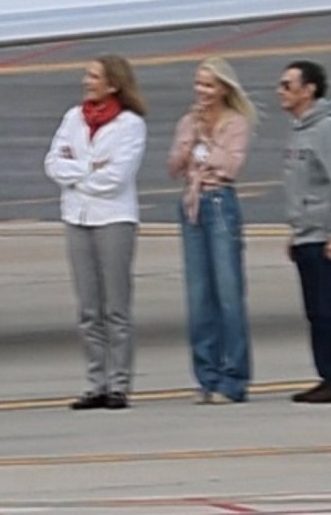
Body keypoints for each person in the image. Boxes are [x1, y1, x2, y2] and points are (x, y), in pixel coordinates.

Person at [44, 55, 147, 410]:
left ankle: (119, 383)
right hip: (77, 218)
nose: (86, 81)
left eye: (93, 76)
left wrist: (77, 173)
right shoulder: (73, 118)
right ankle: (95, 382)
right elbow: (52, 164)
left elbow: (116, 178)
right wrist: (89, 166)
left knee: (115, 307)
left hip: (113, 219)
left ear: (113, 84)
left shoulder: (130, 124)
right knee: (88, 308)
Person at [166, 57, 257, 404]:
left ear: (223, 89)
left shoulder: (234, 123)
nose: (201, 91)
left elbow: (231, 165)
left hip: (220, 203)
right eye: (198, 84)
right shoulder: (188, 122)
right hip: (192, 205)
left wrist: (206, 148)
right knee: (199, 295)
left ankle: (233, 378)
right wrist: (190, 142)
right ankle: (206, 376)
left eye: (208, 85)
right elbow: (175, 165)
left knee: (229, 294)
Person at [277, 60, 331, 402]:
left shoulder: (327, 129)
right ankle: (329, 373)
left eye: (287, 84)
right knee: (316, 311)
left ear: (308, 89)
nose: (280, 91)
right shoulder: (299, 129)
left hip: (326, 235)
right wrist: (296, 231)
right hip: (307, 233)